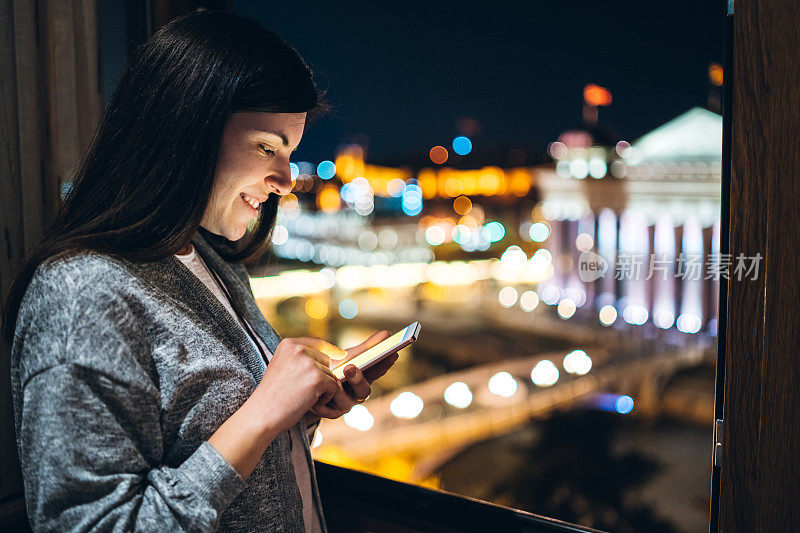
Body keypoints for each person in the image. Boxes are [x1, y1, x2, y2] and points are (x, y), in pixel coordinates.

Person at [1, 11, 397, 532]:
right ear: (187, 127)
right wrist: (265, 412)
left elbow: (222, 457)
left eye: (291, 153)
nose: (285, 180)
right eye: (266, 146)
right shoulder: (80, 296)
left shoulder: (206, 260)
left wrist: (301, 407)